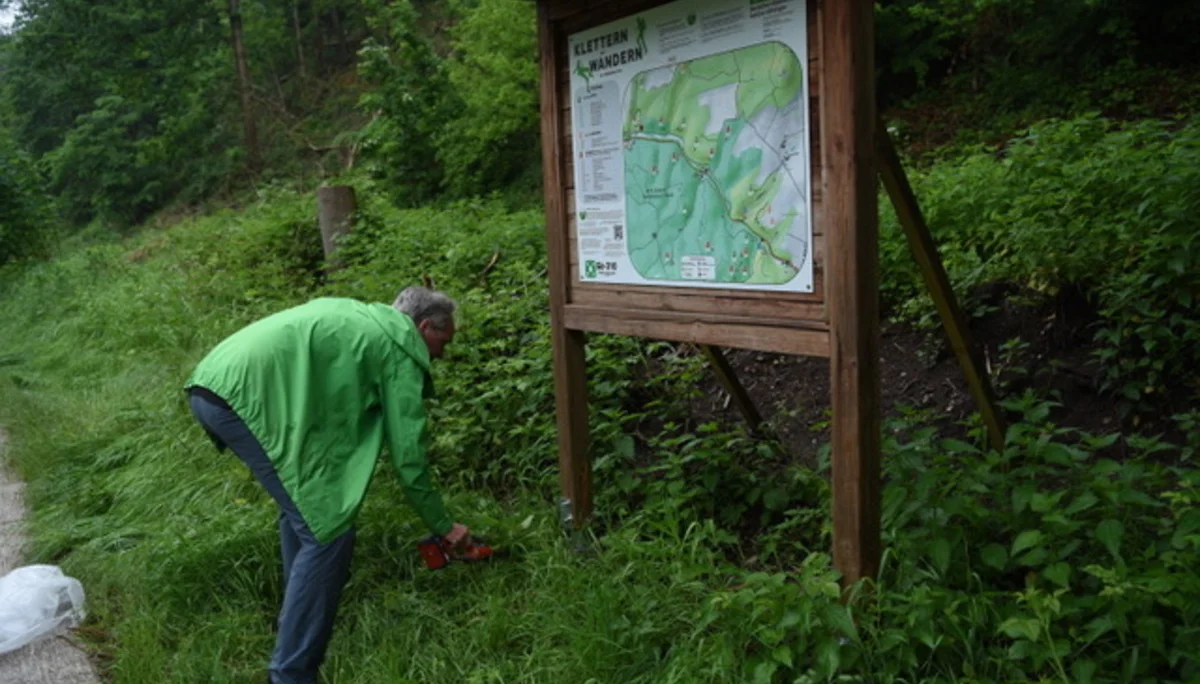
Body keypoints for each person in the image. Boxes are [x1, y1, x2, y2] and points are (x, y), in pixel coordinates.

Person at [185, 286, 468, 684]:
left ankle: (292, 626)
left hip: (214, 383)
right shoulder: (398, 347)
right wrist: (443, 526)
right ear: (423, 327)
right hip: (240, 399)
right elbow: (409, 459)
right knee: (328, 533)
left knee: (304, 512)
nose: (441, 354)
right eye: (442, 341)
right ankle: (292, 673)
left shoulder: (362, 317)